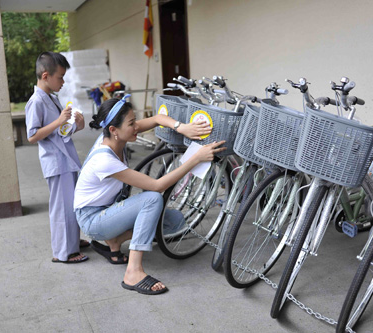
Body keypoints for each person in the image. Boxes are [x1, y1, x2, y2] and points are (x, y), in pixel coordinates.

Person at [74, 97, 225, 295]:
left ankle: (115, 241)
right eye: (131, 123)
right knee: (152, 199)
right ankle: (133, 272)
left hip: (107, 210)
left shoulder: (113, 136)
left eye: (135, 120)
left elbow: (157, 118)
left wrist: (182, 127)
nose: (137, 126)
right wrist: (196, 158)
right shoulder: (104, 159)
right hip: (92, 220)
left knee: (175, 222)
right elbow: (157, 185)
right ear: (114, 130)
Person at [25, 51, 88, 264]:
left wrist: (76, 125)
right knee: (61, 207)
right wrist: (59, 121)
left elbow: (58, 133)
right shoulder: (36, 101)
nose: (62, 82)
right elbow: (33, 135)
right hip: (55, 161)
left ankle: (73, 241)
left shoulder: (51, 98)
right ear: (45, 76)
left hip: (65, 159)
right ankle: (62, 253)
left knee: (70, 204)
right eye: (60, 77)